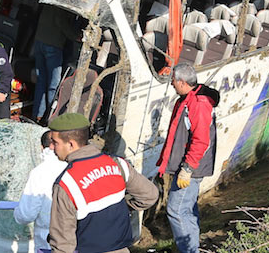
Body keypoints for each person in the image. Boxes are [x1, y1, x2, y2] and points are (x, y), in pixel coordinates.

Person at [48, 113, 159, 253]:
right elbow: (149, 195)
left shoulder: (66, 184)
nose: (51, 147)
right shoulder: (117, 164)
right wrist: (123, 208)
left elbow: (63, 246)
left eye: (55, 142)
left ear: (71, 144)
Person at [156, 62, 220, 253]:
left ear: (182, 82)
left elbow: (201, 141)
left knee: (176, 210)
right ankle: (192, 248)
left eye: (173, 81)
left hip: (191, 168)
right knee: (187, 209)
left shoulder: (198, 104)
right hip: (188, 166)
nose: (171, 85)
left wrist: (187, 169)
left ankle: (189, 250)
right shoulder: (188, 98)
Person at [14, 131, 67, 253]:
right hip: (73, 237)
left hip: (47, 239)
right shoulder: (72, 166)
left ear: (42, 147)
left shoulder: (40, 172)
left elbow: (26, 215)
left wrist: (17, 211)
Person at [32, 5, 81, 122]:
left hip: (39, 40)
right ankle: (50, 118)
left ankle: (37, 115)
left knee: (41, 81)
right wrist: (76, 37)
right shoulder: (65, 1)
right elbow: (60, 21)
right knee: (53, 85)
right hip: (53, 44)